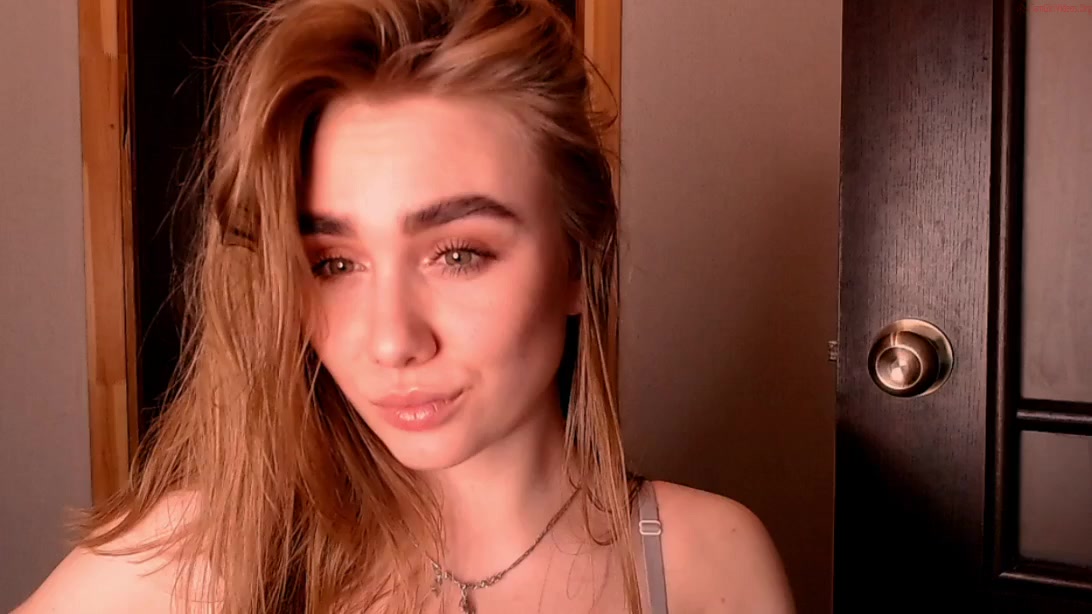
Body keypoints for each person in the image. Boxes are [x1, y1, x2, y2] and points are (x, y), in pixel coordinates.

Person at [16, 0, 794, 612]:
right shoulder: (202, 554)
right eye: (334, 263)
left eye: (458, 254)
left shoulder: (702, 561)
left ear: (576, 262)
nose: (391, 341)